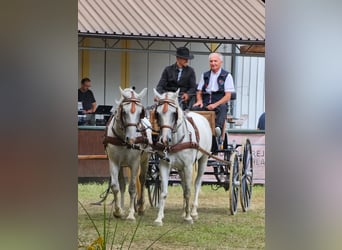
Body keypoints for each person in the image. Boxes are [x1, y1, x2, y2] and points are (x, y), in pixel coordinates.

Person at [192, 52, 235, 138]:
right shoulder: (205, 75)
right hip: (206, 102)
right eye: (211, 61)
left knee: (223, 108)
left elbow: (227, 96)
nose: (213, 63)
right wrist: (199, 101)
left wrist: (215, 105)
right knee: (194, 108)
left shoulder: (227, 76)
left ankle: (217, 128)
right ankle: (194, 130)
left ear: (220, 62)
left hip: (219, 103)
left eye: (215, 61)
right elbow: (199, 91)